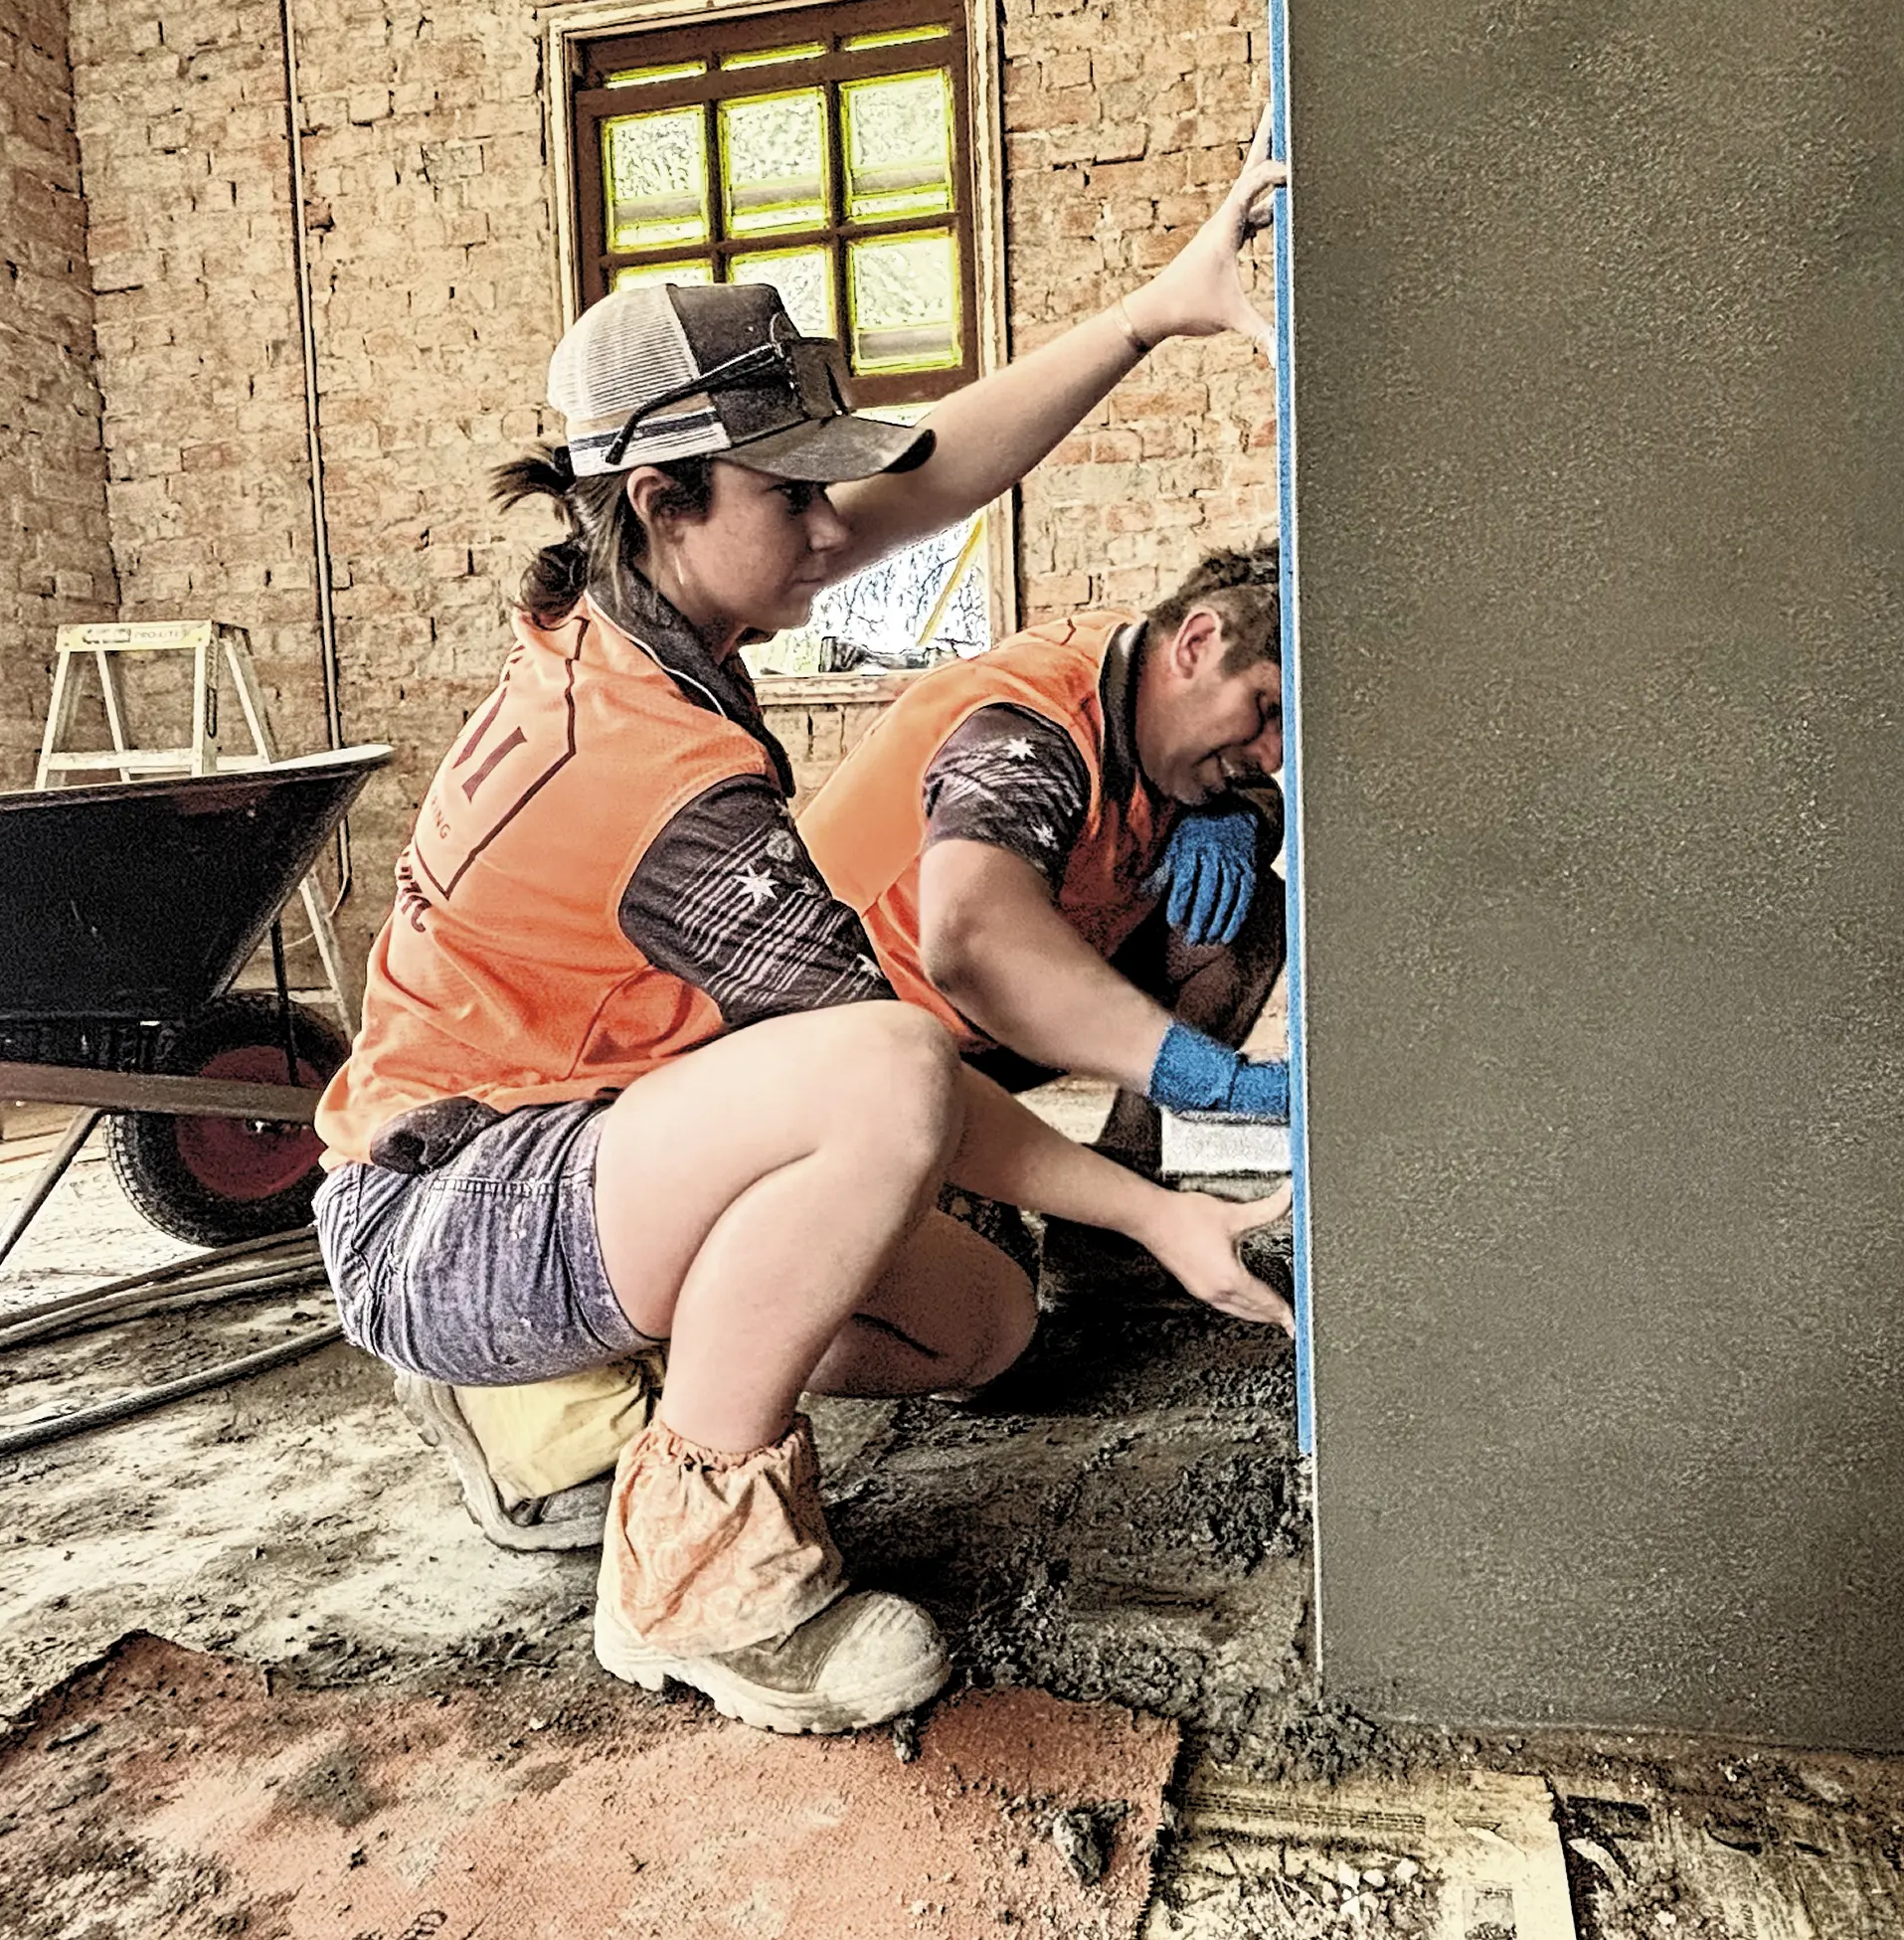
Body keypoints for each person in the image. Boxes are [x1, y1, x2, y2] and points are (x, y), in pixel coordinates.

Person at [311, 153, 1293, 1739]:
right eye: (794, 496)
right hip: (443, 1209)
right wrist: (1158, 1202)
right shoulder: (659, 767)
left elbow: (929, 476)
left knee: (984, 1321)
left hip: (580, 1143)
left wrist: (1147, 315)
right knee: (884, 1068)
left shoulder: (636, 604)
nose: (837, 527)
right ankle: (688, 1576)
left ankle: (645, 1370)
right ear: (663, 497)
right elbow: (903, 1068)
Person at [796, 541, 1288, 1181]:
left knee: (1249, 913)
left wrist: (1244, 814)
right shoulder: (1024, 736)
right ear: (1196, 644)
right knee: (965, 1243)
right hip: (865, 1039)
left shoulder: (1137, 668)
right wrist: (1205, 1078)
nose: (1273, 754)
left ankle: (1123, 1196)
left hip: (1001, 1024)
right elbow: (973, 944)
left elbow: (1255, 790)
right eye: (1267, 710)